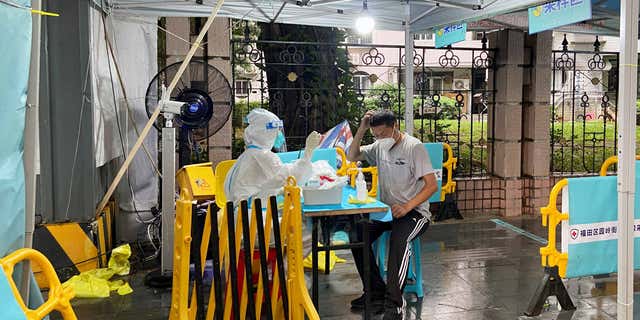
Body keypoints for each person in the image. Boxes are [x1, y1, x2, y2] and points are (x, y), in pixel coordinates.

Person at [347, 109, 437, 320]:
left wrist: (407, 207)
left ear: (394, 126)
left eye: (382, 134)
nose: (379, 138)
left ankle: (393, 305)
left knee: (398, 241)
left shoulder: (413, 147)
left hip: (414, 213)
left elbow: (431, 186)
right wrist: (361, 129)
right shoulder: (379, 146)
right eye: (375, 135)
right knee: (357, 235)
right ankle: (375, 292)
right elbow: (351, 156)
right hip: (388, 211)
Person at [224, 108, 321, 207]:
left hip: (240, 213)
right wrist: (309, 150)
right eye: (276, 131)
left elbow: (269, 182)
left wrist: (279, 191)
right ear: (265, 133)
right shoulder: (263, 156)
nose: (279, 135)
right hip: (251, 216)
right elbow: (293, 177)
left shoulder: (249, 154)